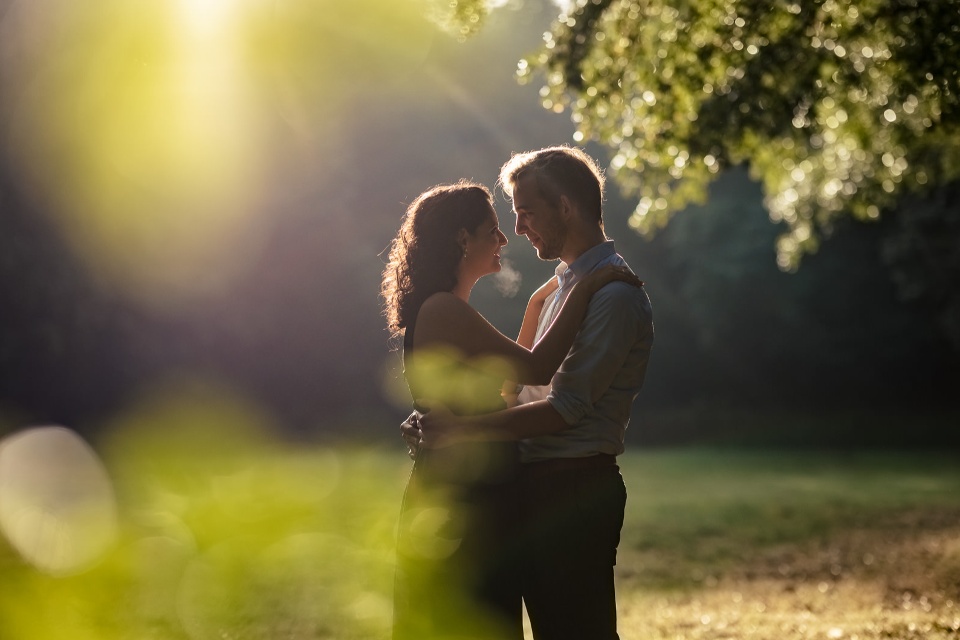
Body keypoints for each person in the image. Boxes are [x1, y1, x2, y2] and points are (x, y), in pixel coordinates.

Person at [408, 146, 654, 640]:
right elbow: (520, 386)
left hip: (574, 487)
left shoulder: (613, 293)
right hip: (527, 491)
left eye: (525, 211)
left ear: (565, 207)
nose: (516, 229)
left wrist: (462, 428)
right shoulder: (563, 289)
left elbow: (563, 407)